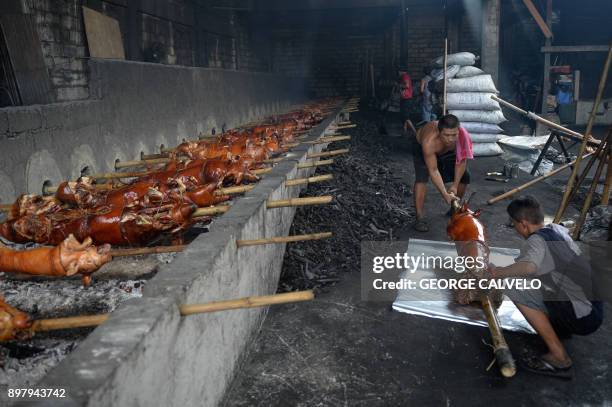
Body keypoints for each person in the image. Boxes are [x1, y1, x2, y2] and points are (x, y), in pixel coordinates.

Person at [490, 196, 603, 379]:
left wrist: (498, 272)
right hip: (593, 308)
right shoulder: (557, 229)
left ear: (524, 224)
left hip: (583, 317)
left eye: (514, 223)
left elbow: (529, 267)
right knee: (545, 282)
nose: (515, 229)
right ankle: (561, 328)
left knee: (514, 285)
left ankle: (559, 357)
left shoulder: (536, 241)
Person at [412, 114, 472, 232]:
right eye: (446, 135)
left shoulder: (463, 136)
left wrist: (454, 185)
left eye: (454, 135)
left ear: (458, 131)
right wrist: (444, 194)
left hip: (448, 151)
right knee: (421, 178)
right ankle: (419, 217)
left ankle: (454, 208)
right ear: (439, 132)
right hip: (421, 147)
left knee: (465, 177)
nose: (450, 139)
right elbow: (433, 170)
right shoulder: (429, 141)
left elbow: (461, 161)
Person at [398, 69, 415, 134]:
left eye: (398, 71)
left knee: (406, 117)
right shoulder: (404, 76)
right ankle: (404, 131)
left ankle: (415, 132)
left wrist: (399, 85)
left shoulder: (405, 76)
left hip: (407, 99)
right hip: (405, 99)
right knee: (403, 116)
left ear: (401, 71)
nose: (398, 73)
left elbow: (407, 85)